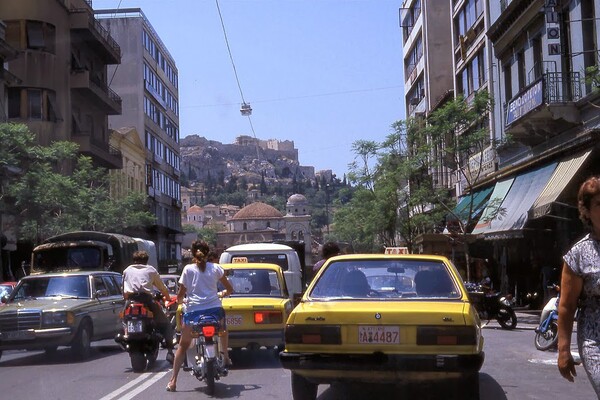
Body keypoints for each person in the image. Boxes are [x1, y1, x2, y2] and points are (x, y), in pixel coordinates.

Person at [166, 240, 234, 392]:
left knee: (183, 346)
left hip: (193, 313)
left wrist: (180, 301)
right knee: (222, 329)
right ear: (208, 252)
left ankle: (173, 381)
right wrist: (222, 293)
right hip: (214, 311)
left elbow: (180, 294)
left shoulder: (188, 269)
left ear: (192, 252)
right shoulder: (216, 268)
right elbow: (230, 289)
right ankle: (226, 355)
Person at [558, 176, 600, 396]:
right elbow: (566, 306)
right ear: (587, 212)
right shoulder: (579, 254)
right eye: (599, 205)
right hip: (595, 339)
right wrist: (563, 349)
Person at [122, 250, 175, 362]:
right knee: (165, 324)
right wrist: (168, 297)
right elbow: (162, 287)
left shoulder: (127, 270)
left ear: (134, 260)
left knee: (124, 319)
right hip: (147, 301)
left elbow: (124, 290)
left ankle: (126, 333)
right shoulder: (151, 270)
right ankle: (170, 352)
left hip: (130, 301)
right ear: (146, 261)